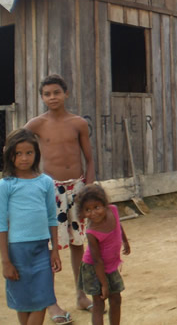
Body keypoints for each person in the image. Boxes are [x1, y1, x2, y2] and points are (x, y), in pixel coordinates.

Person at [25, 74, 96, 324]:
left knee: (78, 243)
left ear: (66, 93)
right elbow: (16, 147)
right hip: (48, 192)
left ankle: (81, 294)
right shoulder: (35, 124)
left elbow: (89, 158)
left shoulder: (78, 123)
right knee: (49, 247)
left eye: (56, 92)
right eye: (47, 94)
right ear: (42, 97)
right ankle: (50, 302)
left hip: (77, 189)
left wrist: (88, 187)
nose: (52, 97)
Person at [0, 129, 62, 325]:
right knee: (23, 301)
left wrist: (55, 250)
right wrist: (6, 261)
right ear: (10, 155)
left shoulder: (45, 182)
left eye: (29, 153)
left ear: (36, 154)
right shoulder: (6, 185)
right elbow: (1, 224)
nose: (24, 158)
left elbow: (52, 218)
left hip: (42, 250)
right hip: (17, 251)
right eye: (18, 153)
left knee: (42, 299)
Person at [76, 184, 130, 325]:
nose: (93, 213)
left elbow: (119, 225)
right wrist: (104, 285)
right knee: (99, 304)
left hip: (110, 267)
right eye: (87, 210)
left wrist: (125, 240)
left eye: (96, 207)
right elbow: (97, 260)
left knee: (116, 299)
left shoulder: (113, 210)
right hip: (94, 269)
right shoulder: (91, 232)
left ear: (105, 205)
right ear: (82, 212)